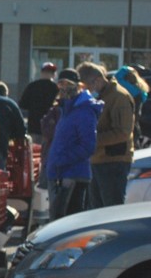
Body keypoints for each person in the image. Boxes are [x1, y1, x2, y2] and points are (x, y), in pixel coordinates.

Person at [43, 68, 100, 220]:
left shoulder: (84, 111)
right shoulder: (65, 110)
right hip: (58, 174)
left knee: (68, 222)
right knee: (57, 221)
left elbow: (88, 146)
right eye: (61, 84)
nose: (64, 88)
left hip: (73, 176)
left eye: (68, 84)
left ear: (79, 86)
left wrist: (62, 160)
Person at [77, 62, 135, 209]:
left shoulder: (119, 97)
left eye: (87, 87)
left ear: (97, 80)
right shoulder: (100, 97)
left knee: (111, 209)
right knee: (96, 210)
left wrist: (92, 139)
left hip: (113, 161)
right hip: (97, 159)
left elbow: (123, 132)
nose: (85, 91)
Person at [19, 62, 59, 139]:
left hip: (34, 126)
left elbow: (23, 104)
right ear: (54, 75)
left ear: (41, 73)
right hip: (51, 127)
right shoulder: (56, 88)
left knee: (34, 146)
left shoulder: (32, 86)